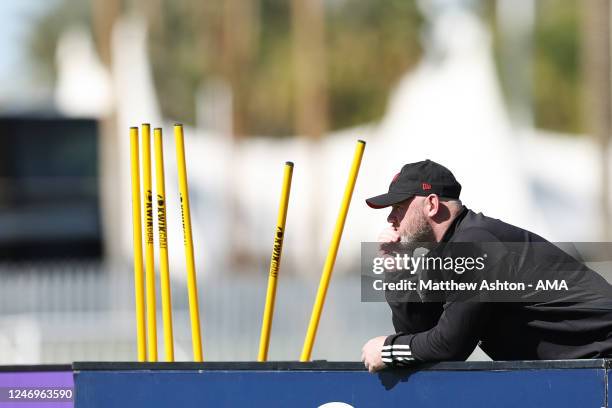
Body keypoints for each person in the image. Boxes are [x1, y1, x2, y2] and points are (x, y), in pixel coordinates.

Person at [360, 159, 612, 373]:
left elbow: (450, 346)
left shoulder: (476, 243)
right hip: (583, 367)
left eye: (399, 207)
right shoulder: (444, 255)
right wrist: (397, 269)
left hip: (601, 359)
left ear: (432, 205)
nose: (391, 218)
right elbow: (419, 335)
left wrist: (389, 350)